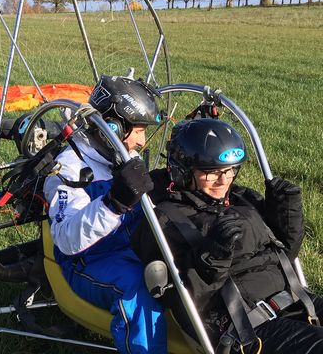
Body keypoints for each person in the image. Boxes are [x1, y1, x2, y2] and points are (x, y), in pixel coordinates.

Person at [132, 118, 323, 353]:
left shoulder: (242, 198)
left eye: (230, 170)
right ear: (183, 170)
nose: (224, 180)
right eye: (212, 173)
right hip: (243, 327)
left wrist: (286, 214)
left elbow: (285, 255)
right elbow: (176, 299)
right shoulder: (162, 219)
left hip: (296, 300)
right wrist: (211, 259)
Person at [43, 74, 167, 353]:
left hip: (130, 244)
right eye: (137, 130)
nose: (142, 140)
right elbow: (66, 239)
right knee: (139, 290)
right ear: (111, 126)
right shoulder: (69, 170)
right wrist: (113, 204)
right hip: (89, 260)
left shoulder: (121, 155)